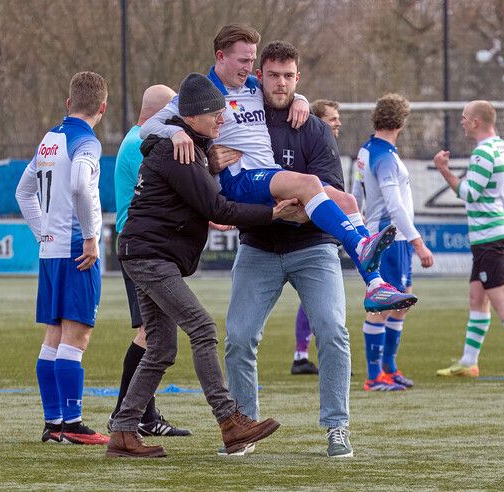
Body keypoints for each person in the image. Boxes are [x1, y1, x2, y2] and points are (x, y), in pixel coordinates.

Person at [140, 23, 416, 314]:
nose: (249, 66)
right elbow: (148, 126)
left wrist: (301, 99)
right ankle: (360, 246)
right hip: (241, 180)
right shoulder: (203, 93)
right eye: (243, 60)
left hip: (267, 177)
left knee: (346, 201)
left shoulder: (252, 87)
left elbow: (282, 86)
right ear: (221, 57)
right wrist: (176, 132)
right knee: (309, 184)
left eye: (252, 60)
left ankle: (375, 286)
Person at [106, 73, 303, 459]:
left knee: (161, 348)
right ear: (193, 116)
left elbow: (201, 196)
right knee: (202, 327)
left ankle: (124, 431)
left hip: (143, 252)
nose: (222, 120)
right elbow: (218, 208)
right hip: (149, 256)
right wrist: (274, 213)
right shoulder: (179, 151)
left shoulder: (189, 147)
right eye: (216, 114)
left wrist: (209, 164)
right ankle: (230, 421)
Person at [209, 40, 356, 458]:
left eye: (289, 76)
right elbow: (230, 193)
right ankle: (244, 427)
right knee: (238, 337)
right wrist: (214, 162)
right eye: (272, 74)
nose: (281, 83)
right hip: (258, 246)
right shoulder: (236, 113)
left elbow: (330, 198)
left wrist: (294, 212)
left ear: (298, 78)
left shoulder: (313, 128)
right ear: (259, 77)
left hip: (313, 249)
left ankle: (336, 426)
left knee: (333, 332)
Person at [15, 71, 110, 445]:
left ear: (69, 103)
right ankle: (73, 423)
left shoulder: (49, 140)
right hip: (75, 252)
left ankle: (53, 423)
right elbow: (78, 186)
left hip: (51, 251)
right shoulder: (86, 141)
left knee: (53, 338)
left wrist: (44, 234)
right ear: (102, 108)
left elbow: (23, 192)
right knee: (77, 336)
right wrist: (89, 238)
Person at [433, 100, 504, 379]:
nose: (461, 122)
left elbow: (470, 193)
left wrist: (444, 171)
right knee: (477, 297)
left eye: (464, 117)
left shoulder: (483, 152)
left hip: (489, 235)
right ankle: (469, 361)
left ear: (476, 122)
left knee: (501, 300)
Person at [108, 84, 191, 437]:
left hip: (142, 244)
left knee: (152, 333)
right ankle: (126, 414)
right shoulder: (139, 145)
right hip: (141, 246)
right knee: (150, 333)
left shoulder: (134, 140)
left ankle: (142, 414)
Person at [352, 94, 435, 391]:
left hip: (382, 235)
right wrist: (418, 242)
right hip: (390, 238)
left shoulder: (366, 151)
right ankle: (374, 377)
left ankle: (388, 368)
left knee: (402, 302)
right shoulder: (385, 156)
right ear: (401, 122)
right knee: (381, 306)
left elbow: (355, 195)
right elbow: (394, 205)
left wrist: (359, 228)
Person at [290, 99, 343, 376]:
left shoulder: (331, 148)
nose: (338, 123)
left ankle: (309, 357)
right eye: (332, 118)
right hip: (310, 235)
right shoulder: (310, 146)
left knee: (318, 303)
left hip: (328, 229)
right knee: (316, 301)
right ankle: (302, 356)